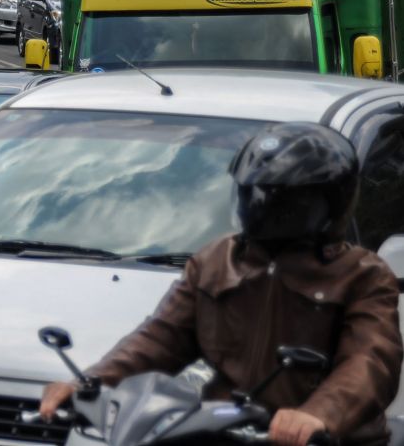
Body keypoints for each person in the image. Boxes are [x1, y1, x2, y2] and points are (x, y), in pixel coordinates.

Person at [39, 122, 403, 446]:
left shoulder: (362, 275)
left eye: (281, 202)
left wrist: (321, 414)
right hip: (227, 429)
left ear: (329, 204)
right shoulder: (216, 261)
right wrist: (92, 382)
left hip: (325, 437)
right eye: (254, 195)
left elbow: (370, 361)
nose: (261, 209)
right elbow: (160, 337)